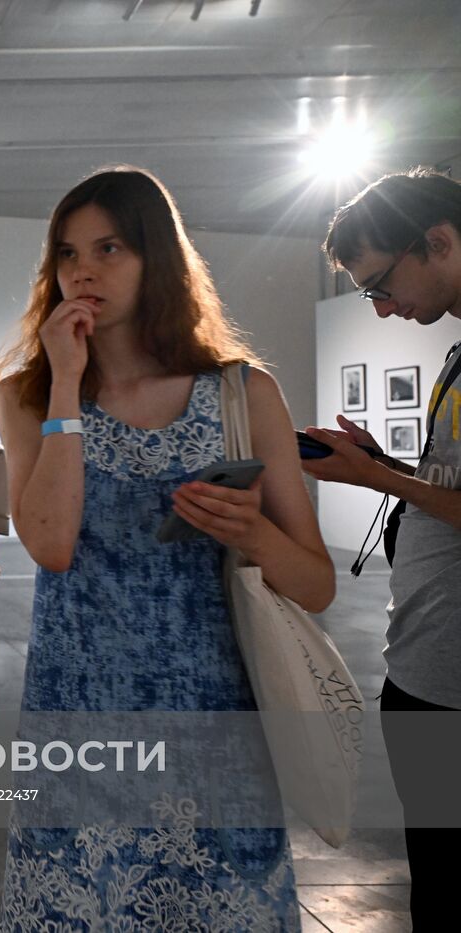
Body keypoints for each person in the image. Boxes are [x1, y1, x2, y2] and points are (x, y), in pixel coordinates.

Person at [0, 167, 334, 928]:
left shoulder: (244, 394)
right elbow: (49, 544)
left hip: (213, 728)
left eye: (110, 247)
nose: (83, 270)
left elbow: (315, 583)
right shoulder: (27, 395)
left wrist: (251, 532)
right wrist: (67, 387)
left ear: (159, 258)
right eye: (68, 252)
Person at [308, 167, 461, 923]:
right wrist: (386, 467)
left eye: (381, 284)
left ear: (437, 241)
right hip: (428, 670)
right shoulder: (459, 354)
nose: (384, 307)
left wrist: (379, 477)